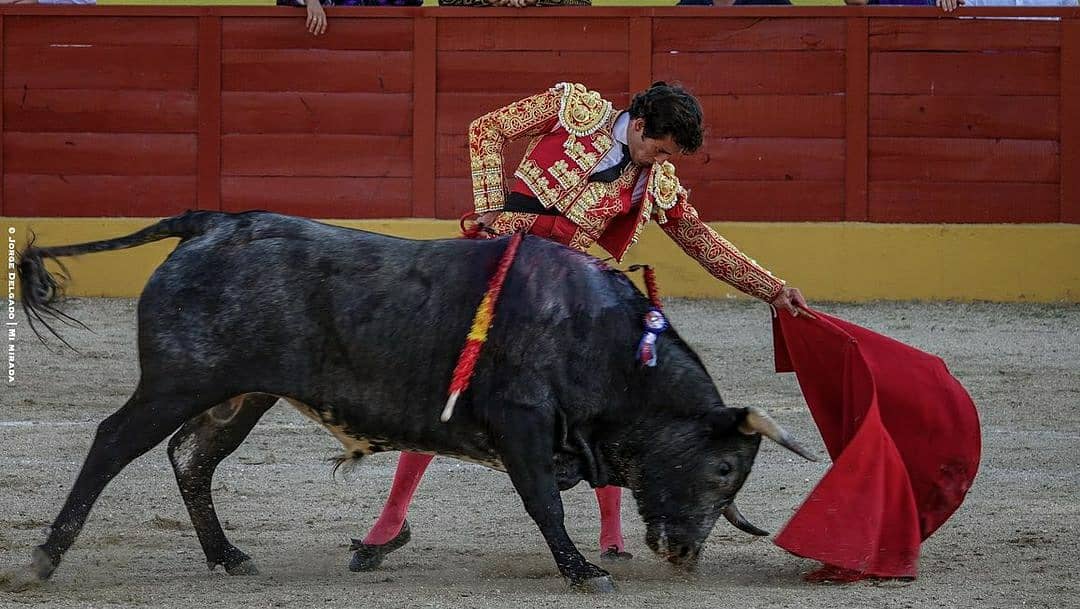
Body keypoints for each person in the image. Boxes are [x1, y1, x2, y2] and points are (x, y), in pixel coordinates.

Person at [349, 81, 808, 571]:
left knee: (605, 396)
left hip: (560, 291)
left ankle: (611, 531)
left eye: (667, 155)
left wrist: (771, 288)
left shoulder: (652, 181)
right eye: (657, 147)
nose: (657, 160)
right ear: (640, 123)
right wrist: (486, 203)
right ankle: (393, 517)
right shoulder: (572, 107)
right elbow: (487, 130)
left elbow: (700, 240)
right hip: (497, 260)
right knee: (451, 381)